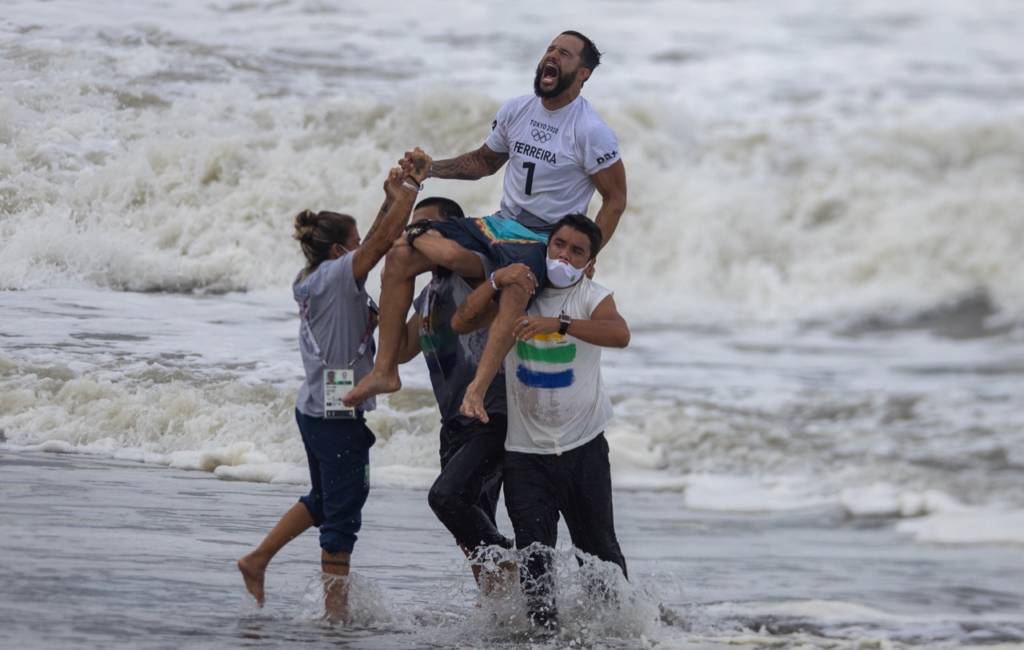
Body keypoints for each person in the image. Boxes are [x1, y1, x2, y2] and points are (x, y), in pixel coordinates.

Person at [343, 30, 627, 425]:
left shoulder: (591, 131)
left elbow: (615, 199)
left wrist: (588, 254)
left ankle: (476, 389)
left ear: (583, 74)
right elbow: (484, 162)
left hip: (542, 238)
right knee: (400, 255)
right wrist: (431, 169)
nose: (551, 56)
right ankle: (385, 370)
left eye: (564, 53)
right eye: (549, 48)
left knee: (512, 283)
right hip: (498, 225)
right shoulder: (517, 109)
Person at [236, 150, 431, 621]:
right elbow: (381, 244)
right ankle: (335, 619)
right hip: (335, 410)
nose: (363, 247)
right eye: (354, 243)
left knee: (325, 500)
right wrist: (410, 190)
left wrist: (390, 200)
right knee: (344, 514)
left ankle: (257, 559)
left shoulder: (313, 277)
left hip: (315, 406)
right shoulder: (337, 278)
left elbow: (374, 239)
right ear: (340, 253)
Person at [451, 213, 630, 631]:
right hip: (526, 454)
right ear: (546, 246)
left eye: (577, 252)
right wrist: (496, 280)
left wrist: (559, 324)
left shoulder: (591, 296)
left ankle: (618, 633)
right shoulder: (520, 293)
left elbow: (620, 334)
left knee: (600, 553)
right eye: (559, 245)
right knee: (536, 562)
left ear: (590, 264)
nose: (564, 256)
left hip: (583, 447)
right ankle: (542, 636)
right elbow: (461, 321)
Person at [390, 196, 515, 587]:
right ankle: (498, 607)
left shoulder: (475, 269)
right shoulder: (429, 293)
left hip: (491, 413)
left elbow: (455, 256)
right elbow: (402, 349)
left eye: (428, 227)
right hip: (454, 420)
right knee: (470, 527)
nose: (418, 237)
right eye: (415, 227)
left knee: (446, 498)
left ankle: (512, 564)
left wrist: (412, 233)